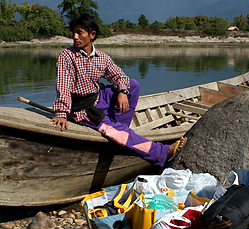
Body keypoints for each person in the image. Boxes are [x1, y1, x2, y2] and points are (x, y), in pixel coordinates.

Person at [52, 14, 185, 166]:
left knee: (132, 85)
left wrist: (123, 92)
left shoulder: (101, 57)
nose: (75, 37)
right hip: (84, 109)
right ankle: (161, 152)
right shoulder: (67, 56)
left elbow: (120, 76)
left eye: (80, 32)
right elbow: (63, 87)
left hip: (99, 98)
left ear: (92, 35)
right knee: (118, 128)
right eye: (74, 33)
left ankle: (119, 129)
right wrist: (61, 114)